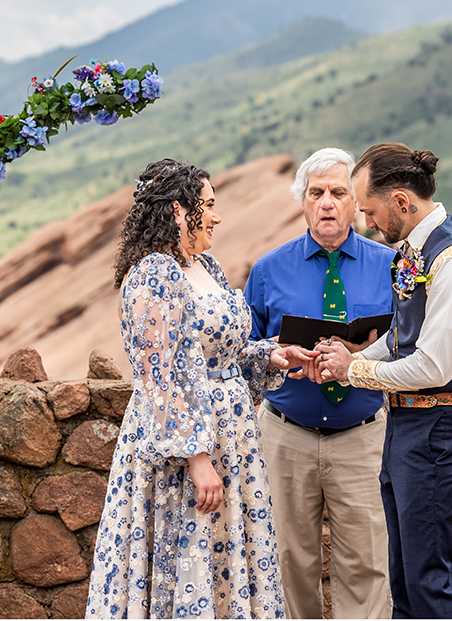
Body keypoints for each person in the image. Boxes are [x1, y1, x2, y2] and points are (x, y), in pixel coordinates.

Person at [85, 158, 315, 619]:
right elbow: (160, 374)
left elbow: (221, 355)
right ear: (177, 211)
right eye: (207, 205)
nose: (217, 215)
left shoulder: (205, 265)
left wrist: (267, 354)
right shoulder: (154, 274)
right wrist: (196, 455)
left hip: (233, 442)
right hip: (190, 450)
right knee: (190, 553)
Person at [311, 143, 452, 619]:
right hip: (406, 425)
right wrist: (346, 356)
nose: (367, 222)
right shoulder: (415, 251)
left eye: (369, 210)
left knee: (427, 579)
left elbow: (432, 367)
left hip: (437, 427)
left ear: (400, 201)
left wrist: (355, 372)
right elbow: (400, 337)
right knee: (404, 579)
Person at [243, 148, 395, 619]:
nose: (327, 202)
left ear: (355, 202)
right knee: (287, 561)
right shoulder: (268, 270)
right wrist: (279, 354)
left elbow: (411, 343)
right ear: (303, 202)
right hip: (285, 436)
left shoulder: (391, 266)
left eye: (338, 192)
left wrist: (361, 356)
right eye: (316, 193)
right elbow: (242, 352)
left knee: (368, 563)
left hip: (363, 436)